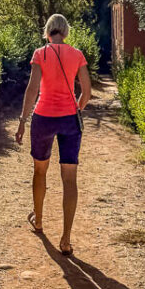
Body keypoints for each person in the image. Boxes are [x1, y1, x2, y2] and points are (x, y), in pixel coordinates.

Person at [15, 13, 92, 256]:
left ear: (48, 32)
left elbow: (32, 89)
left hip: (43, 118)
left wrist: (22, 121)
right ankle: (66, 240)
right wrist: (75, 109)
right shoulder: (77, 54)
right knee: (69, 179)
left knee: (40, 171)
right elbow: (87, 92)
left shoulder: (41, 53)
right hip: (69, 119)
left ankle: (38, 221)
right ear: (65, 32)